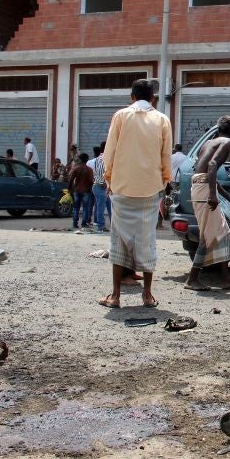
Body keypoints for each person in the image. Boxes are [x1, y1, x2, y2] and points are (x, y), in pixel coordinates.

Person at [98, 79, 173, 309]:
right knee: (147, 239)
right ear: (153, 98)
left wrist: (108, 178)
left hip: (122, 188)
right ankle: (147, 295)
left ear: (132, 96)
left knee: (118, 240)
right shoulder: (162, 120)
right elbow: (165, 156)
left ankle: (116, 296)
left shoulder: (121, 116)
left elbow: (109, 151)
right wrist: (164, 181)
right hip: (150, 190)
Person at [184, 115, 230, 291]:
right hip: (204, 189)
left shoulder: (209, 142)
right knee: (208, 237)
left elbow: (203, 170)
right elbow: (212, 165)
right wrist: (212, 194)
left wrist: (225, 195)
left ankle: (226, 279)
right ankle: (192, 279)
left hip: (199, 185)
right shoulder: (227, 142)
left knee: (223, 233)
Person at [68, 153, 93, 230]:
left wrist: (69, 189)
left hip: (77, 190)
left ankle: (75, 224)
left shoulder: (76, 168)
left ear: (81, 160)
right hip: (86, 190)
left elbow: (71, 180)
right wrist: (90, 189)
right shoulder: (89, 170)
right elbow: (91, 181)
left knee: (76, 207)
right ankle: (84, 224)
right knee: (85, 208)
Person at [91, 142, 110, 233]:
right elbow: (101, 172)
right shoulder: (104, 158)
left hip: (99, 186)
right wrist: (104, 183)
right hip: (100, 186)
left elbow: (95, 171)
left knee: (106, 206)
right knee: (101, 207)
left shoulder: (98, 158)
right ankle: (100, 226)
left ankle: (106, 225)